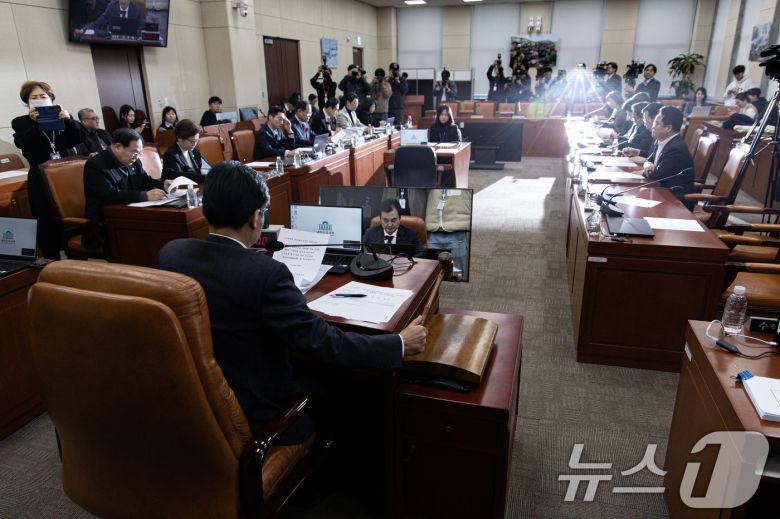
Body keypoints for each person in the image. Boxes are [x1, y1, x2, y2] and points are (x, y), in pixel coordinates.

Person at [157, 162, 427, 443]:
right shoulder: (266, 275)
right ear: (256, 218)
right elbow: (324, 343)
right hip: (260, 416)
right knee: (343, 386)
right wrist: (398, 344)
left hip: (195, 405)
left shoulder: (172, 254)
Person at [12, 80, 85, 259]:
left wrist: (70, 121)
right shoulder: (21, 122)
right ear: (27, 102)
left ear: (51, 98)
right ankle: (52, 262)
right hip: (40, 177)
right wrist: (37, 124)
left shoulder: (61, 117)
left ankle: (78, 257)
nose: (39, 100)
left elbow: (79, 138)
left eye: (43, 96)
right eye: (33, 98)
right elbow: (25, 145)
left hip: (65, 175)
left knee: (71, 218)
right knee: (46, 221)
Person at [83, 128, 170, 246]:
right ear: (118, 147)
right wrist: (144, 195)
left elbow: (144, 180)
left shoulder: (134, 161)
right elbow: (109, 195)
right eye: (134, 152)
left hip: (133, 214)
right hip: (107, 223)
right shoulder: (95, 165)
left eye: (139, 153)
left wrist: (163, 184)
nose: (137, 157)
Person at [642, 106, 694, 197]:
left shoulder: (676, 148)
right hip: (659, 191)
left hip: (673, 198)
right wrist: (648, 165)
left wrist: (646, 170)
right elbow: (648, 160)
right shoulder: (661, 140)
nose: (653, 126)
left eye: (657, 123)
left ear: (668, 128)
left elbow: (657, 176)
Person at [161, 119, 211, 183]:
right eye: (192, 141)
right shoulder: (171, 155)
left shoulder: (194, 150)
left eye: (197, 141)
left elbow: (206, 166)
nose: (195, 144)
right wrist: (205, 177)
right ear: (180, 138)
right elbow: (180, 177)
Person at [74, 0, 142, 38]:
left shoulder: (136, 10)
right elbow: (98, 23)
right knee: (95, 33)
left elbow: (142, 27)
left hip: (130, 41)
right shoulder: (112, 7)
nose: (123, 1)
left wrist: (134, 34)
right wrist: (83, 30)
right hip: (112, 38)